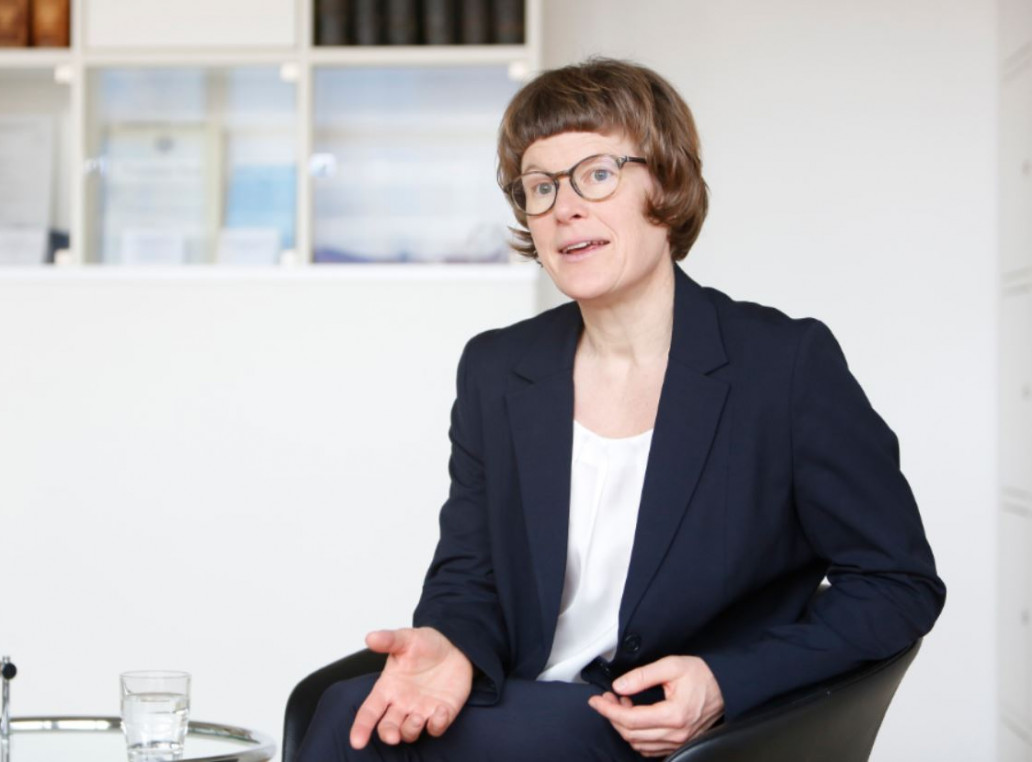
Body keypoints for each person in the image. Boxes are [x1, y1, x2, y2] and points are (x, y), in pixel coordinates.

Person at [295, 58, 945, 761]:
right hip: (531, 700)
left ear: (665, 183)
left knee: (350, 725)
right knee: (346, 712)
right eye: (540, 186)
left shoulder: (784, 366)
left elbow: (896, 583)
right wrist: (453, 644)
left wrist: (725, 681)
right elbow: (468, 572)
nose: (564, 207)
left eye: (598, 174)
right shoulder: (497, 369)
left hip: (673, 734)